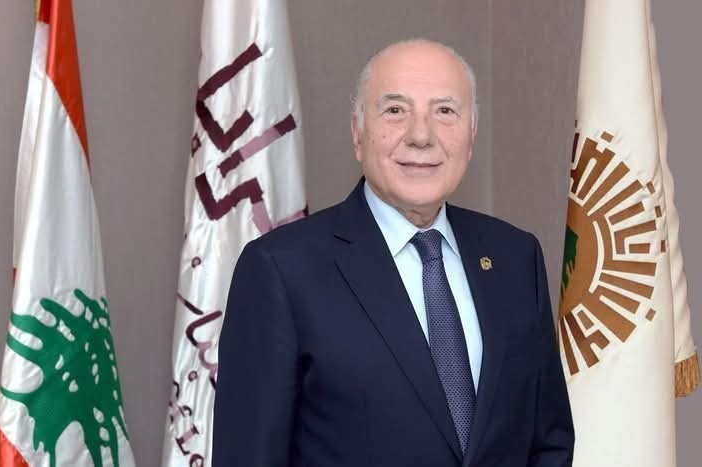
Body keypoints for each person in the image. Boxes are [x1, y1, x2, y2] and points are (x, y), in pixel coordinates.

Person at [212, 38, 574, 467]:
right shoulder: (281, 270)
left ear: (471, 134)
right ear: (357, 134)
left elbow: (548, 442)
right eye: (395, 110)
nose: (421, 136)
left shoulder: (515, 257)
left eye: (445, 111)